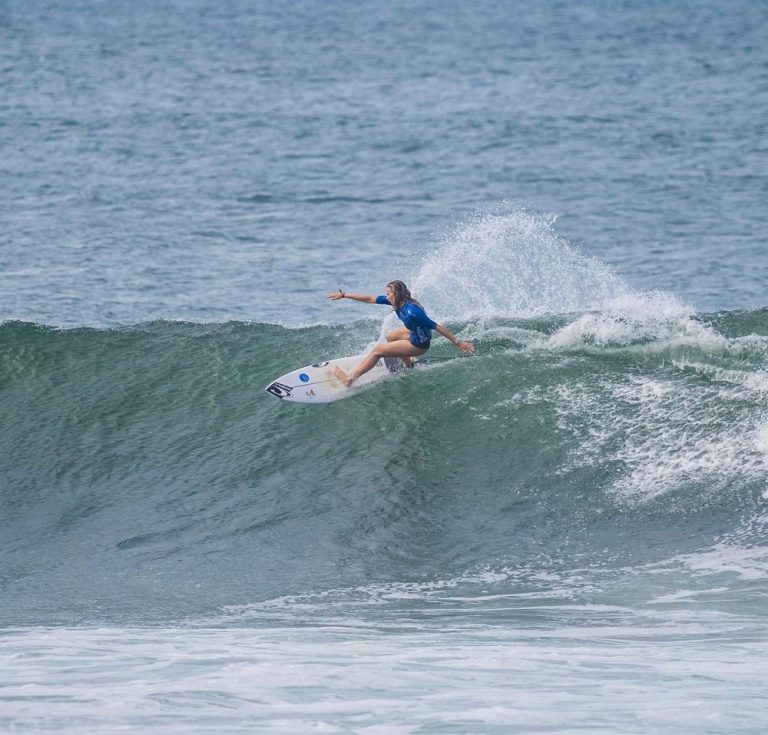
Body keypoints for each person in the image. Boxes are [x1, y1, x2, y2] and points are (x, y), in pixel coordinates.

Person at [327, 280, 474, 387]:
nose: (387, 296)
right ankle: (409, 365)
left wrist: (458, 343)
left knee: (378, 351)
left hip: (419, 344)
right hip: (415, 334)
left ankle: (349, 379)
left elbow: (437, 327)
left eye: (388, 294)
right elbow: (370, 299)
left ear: (396, 294)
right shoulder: (397, 302)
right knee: (390, 337)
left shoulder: (412, 312)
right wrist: (345, 295)